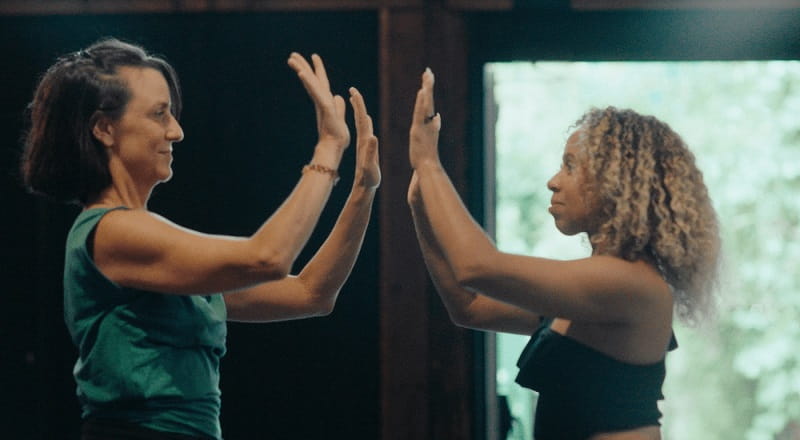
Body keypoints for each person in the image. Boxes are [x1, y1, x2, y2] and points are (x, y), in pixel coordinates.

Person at [19, 38, 380, 440]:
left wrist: (363, 189)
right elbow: (268, 257)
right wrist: (328, 149)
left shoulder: (157, 252)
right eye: (159, 114)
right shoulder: (111, 232)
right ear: (104, 129)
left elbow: (312, 294)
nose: (176, 131)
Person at [407, 68, 719, 440]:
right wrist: (420, 206)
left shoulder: (632, 282)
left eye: (570, 166)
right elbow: (469, 305)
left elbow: (477, 267)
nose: (553, 181)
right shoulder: (596, 284)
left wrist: (428, 164)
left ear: (616, 184)